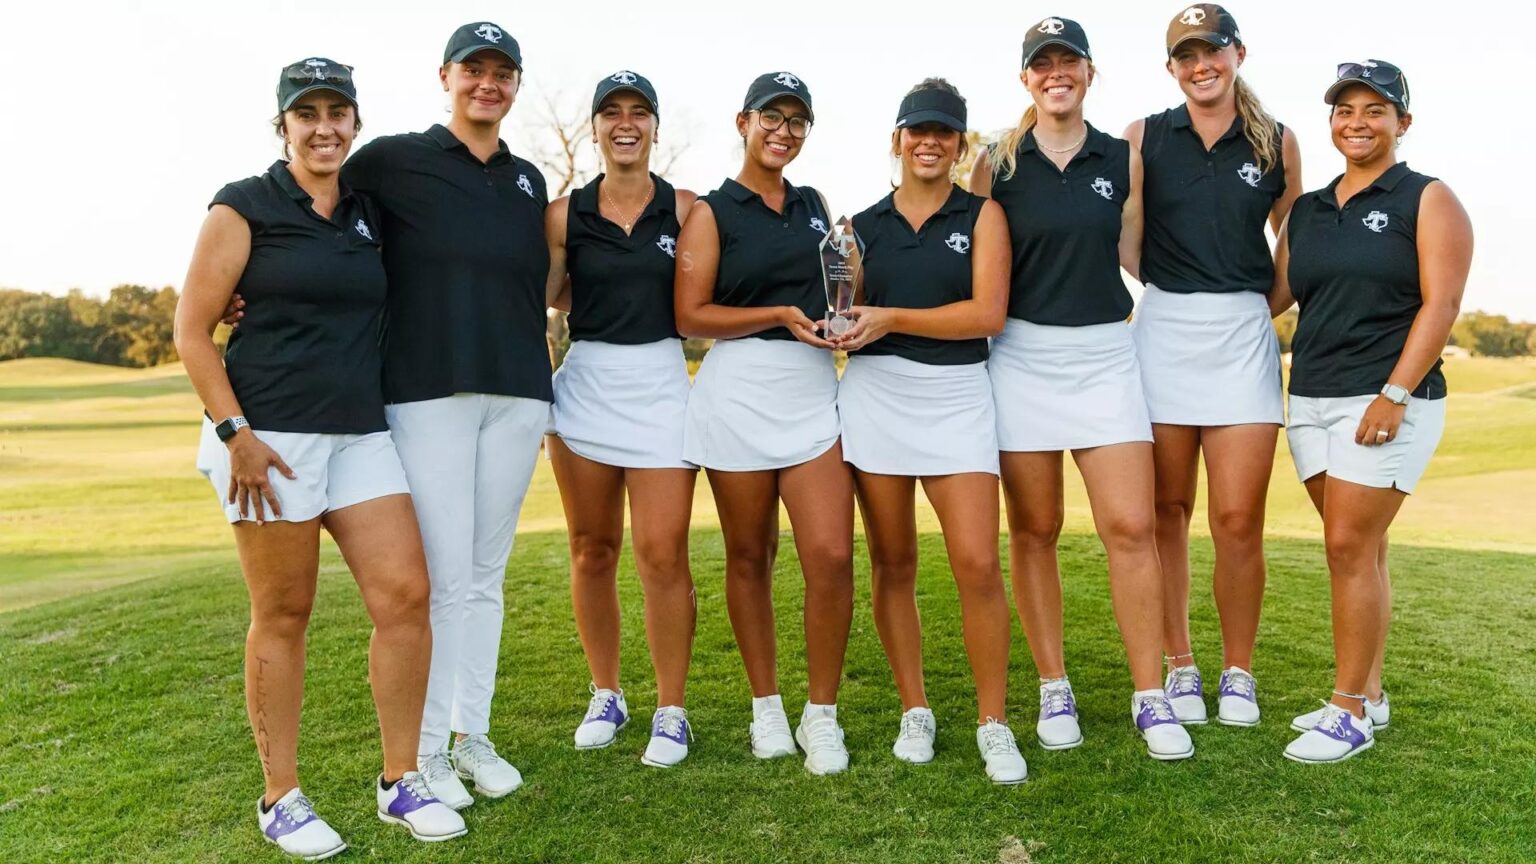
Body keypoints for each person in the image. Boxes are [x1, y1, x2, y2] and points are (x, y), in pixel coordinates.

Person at [174, 59, 465, 858]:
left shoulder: (368, 211)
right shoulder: (244, 205)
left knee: (406, 594)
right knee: (285, 612)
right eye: (309, 113)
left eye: (338, 111)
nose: (325, 126)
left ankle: (400, 779)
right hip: (270, 439)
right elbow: (191, 331)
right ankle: (281, 797)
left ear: (355, 123)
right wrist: (235, 434)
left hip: (361, 432)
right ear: (284, 126)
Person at [339, 22, 552, 807]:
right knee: (440, 580)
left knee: (486, 579)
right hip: (427, 391)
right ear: (445, 76)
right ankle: (422, 754)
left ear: (516, 86)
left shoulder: (529, 181)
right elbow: (318, 211)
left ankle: (473, 737)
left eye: (503, 72)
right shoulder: (392, 160)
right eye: (474, 69)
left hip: (521, 390)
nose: (487, 83)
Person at [970, 17, 1194, 761]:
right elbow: (970, 260)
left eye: (1069, 62)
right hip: (1021, 357)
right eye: (1042, 64)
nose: (1055, 74)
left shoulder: (1121, 157)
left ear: (1090, 73)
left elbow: (1139, 253)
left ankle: (1148, 693)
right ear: (1026, 78)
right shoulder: (995, 161)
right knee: (1034, 530)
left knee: (1131, 527)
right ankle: (1053, 684)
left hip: (1105, 354)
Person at [1269, 61, 1470, 763]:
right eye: (1344, 109)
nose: (1357, 122)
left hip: (1384, 399)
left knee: (1347, 549)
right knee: (1362, 549)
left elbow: (1441, 304)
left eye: (1374, 110)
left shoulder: (1428, 197)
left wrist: (1395, 392)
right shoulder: (1309, 210)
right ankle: (1371, 695)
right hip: (1312, 397)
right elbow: (1275, 297)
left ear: (1402, 123)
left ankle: (1348, 709)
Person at [834, 79, 1023, 783]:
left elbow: (987, 314)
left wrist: (890, 317)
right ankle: (916, 708)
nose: (930, 143)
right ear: (897, 139)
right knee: (893, 562)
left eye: (945, 132)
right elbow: (846, 308)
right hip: (877, 396)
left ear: (960, 144)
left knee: (977, 561)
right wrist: (848, 320)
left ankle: (993, 720)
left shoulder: (983, 216)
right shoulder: (861, 225)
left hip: (957, 396)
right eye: (918, 130)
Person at [1124, 3, 1303, 727]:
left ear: (1238, 54)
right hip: (1164, 328)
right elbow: (1126, 239)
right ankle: (1180, 664)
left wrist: (1252, 311)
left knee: (1237, 518)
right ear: (1172, 68)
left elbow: (1293, 245)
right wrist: (1169, 296)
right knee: (1167, 511)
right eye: (1187, 56)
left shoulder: (1278, 141)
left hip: (1242, 333)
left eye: (1213, 51)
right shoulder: (1141, 136)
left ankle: (1238, 671)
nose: (1202, 66)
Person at [674, 71, 856, 775]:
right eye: (771, 118)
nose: (784, 131)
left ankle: (822, 714)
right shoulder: (712, 211)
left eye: (797, 121)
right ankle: (767, 708)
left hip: (811, 390)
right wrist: (778, 315)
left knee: (832, 556)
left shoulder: (815, 204)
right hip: (739, 389)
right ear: (743, 120)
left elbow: (836, 288)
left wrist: (847, 291)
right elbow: (691, 314)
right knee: (750, 557)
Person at [544, 71, 699, 767]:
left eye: (640, 112)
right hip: (586, 389)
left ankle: (672, 708)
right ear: (596, 128)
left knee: (662, 553)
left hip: (663, 387)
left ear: (656, 127)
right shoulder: (561, 214)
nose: (626, 123)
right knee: (592, 549)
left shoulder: (691, 210)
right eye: (612, 112)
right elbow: (534, 297)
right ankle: (606, 691)